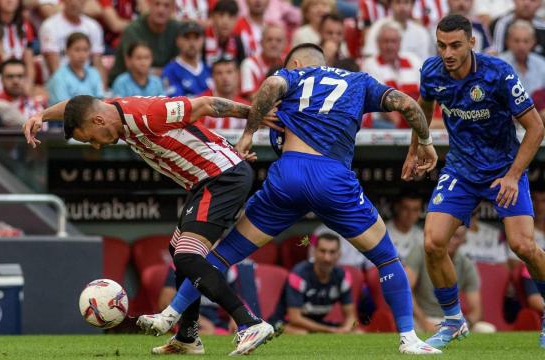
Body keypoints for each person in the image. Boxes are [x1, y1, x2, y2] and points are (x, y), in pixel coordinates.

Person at [140, 43, 442, 355]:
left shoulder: (293, 81)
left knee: (221, 255)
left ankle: (170, 314)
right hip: (332, 180)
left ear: (296, 63)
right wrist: (425, 143)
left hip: (288, 177)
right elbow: (407, 104)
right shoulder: (360, 81)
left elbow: (271, 84)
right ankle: (409, 339)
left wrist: (247, 134)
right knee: (387, 259)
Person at [23, 94, 280, 356]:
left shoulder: (147, 113)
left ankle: (249, 323)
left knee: (188, 256)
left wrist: (255, 114)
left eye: (90, 137)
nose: (96, 146)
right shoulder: (110, 110)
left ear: (98, 120)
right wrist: (40, 116)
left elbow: (207, 105)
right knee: (178, 252)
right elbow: (75, 105)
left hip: (222, 177)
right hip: (205, 182)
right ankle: (187, 337)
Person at [402, 14, 545, 349]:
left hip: (503, 170)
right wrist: (416, 147)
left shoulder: (498, 74)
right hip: (461, 171)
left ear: (471, 42)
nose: (447, 52)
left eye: (454, 45)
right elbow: (422, 109)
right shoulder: (432, 71)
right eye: (441, 45)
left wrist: (512, 176)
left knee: (523, 245)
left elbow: (536, 128)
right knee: (432, 243)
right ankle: (453, 322)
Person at [405, 226, 491, 333]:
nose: (451, 240)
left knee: (487, 329)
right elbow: (405, 290)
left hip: (451, 320)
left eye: (456, 237)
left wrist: (463, 324)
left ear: (463, 240)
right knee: (410, 328)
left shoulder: (466, 264)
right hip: (421, 318)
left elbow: (477, 311)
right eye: (448, 235)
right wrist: (424, 321)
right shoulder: (420, 251)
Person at [270, 233, 357, 334]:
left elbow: (351, 317)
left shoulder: (342, 277)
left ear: (339, 254)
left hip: (317, 324)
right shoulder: (298, 274)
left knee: (358, 332)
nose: (327, 258)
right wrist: (331, 331)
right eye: (322, 251)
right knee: (302, 333)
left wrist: (346, 328)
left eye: (332, 252)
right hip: (284, 323)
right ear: (314, 251)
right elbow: (295, 318)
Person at [159, 260, 261, 335]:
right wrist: (199, 321)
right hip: (188, 317)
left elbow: (236, 298)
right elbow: (164, 303)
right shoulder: (182, 262)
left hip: (218, 319)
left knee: (242, 331)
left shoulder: (228, 265)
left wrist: (236, 317)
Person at [361, 20, 422, 129]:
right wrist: (408, 127)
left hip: (415, 119)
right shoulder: (371, 64)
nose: (390, 46)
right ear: (378, 43)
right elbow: (382, 102)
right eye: (386, 41)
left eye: (393, 41)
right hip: (384, 122)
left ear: (400, 43)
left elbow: (425, 94)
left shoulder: (413, 60)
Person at [107, 0, 181, 82]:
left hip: (165, 83)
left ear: (173, 8)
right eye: (157, 4)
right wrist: (169, 72)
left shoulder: (178, 29)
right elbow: (134, 68)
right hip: (126, 84)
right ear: (149, 5)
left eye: (166, 6)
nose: (161, 10)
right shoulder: (133, 30)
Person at [39, 0, 105, 80]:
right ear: (63, 1)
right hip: (60, 83)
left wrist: (102, 90)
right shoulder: (49, 26)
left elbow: (98, 64)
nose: (74, 2)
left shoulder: (93, 26)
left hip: (87, 82)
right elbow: (54, 68)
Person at [0, 0, 36, 91]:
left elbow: (29, 61)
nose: (10, 1)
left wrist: (28, 85)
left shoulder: (25, 26)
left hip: (20, 78)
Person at [363, 0, 433, 60]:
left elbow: (424, 61)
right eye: (398, 2)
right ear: (391, 5)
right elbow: (370, 57)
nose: (402, 7)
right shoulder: (378, 28)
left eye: (406, 2)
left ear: (412, 5)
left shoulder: (421, 33)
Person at [47, 32, 104, 106]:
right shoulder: (59, 77)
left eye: (85, 50)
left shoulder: (94, 73)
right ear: (67, 51)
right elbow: (61, 107)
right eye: (77, 50)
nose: (82, 55)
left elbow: (100, 99)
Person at [161, 21, 212, 98]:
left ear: (203, 41)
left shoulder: (209, 68)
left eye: (196, 38)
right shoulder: (170, 71)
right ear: (177, 41)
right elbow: (175, 103)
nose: (192, 43)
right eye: (187, 38)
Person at [199, 56, 249, 129]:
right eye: (219, 73)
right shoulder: (201, 104)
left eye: (229, 72)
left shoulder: (246, 106)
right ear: (213, 76)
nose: (225, 77)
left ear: (237, 75)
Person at [499, 20, 545, 97]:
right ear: (508, 42)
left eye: (526, 41)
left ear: (533, 42)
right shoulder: (498, 64)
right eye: (516, 41)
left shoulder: (541, 64)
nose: (521, 46)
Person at [240, 24, 285, 99]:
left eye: (278, 40)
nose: (274, 44)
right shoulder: (249, 64)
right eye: (269, 39)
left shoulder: (287, 63)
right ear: (261, 43)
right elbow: (250, 97)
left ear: (285, 44)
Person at [204, 0, 246, 66]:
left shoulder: (237, 41)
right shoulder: (202, 38)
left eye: (231, 16)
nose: (225, 22)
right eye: (221, 15)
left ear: (236, 20)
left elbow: (240, 67)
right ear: (212, 17)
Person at [386, 191, 424, 262]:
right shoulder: (382, 234)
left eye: (415, 210)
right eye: (406, 208)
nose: (410, 214)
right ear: (396, 207)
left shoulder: (421, 237)